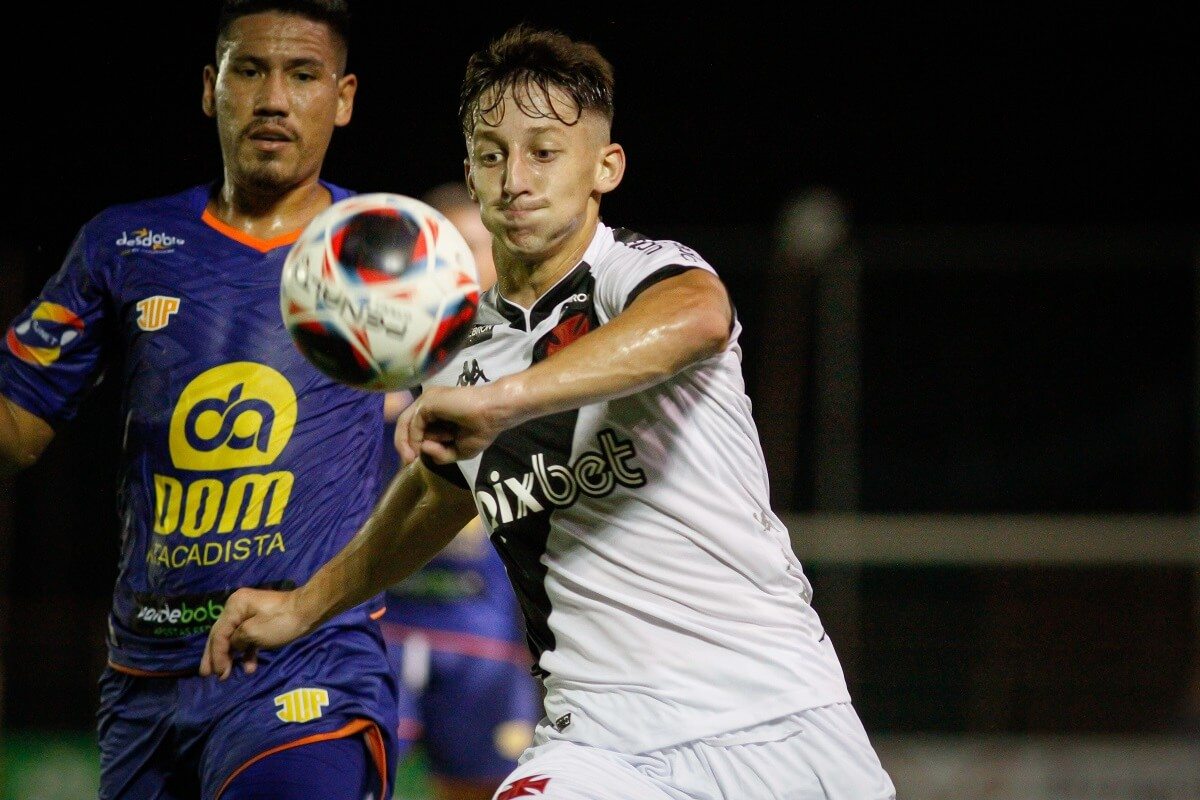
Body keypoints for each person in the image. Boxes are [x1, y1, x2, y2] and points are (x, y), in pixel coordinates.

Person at [202, 22, 897, 800]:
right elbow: (433, 498)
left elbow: (698, 319)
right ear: (469, 174)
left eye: (543, 152)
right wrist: (303, 606)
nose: (515, 179)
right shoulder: (465, 360)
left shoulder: (642, 275)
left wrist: (501, 404)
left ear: (605, 168)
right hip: (599, 743)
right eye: (492, 155)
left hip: (780, 717)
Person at [0, 2, 401, 798]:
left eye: (303, 75)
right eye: (249, 70)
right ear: (210, 88)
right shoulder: (124, 244)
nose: (274, 98)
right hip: (142, 677)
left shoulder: (384, 253)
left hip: (305, 659)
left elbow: (485, 408)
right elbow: (18, 432)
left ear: (344, 98)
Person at [379, 182, 540, 800]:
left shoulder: (533, 370)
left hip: (484, 638)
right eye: (446, 246)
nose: (463, 260)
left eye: (477, 244)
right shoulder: (371, 361)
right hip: (378, 630)